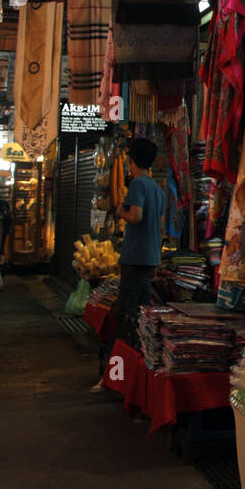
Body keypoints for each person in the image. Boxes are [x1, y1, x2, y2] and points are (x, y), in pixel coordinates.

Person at [91, 136, 164, 393]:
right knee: (143, 316)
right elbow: (158, 222)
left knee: (126, 317)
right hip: (151, 257)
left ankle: (117, 379)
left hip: (135, 258)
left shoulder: (136, 185)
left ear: (131, 161)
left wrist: (119, 211)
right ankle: (139, 374)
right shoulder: (157, 188)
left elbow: (136, 215)